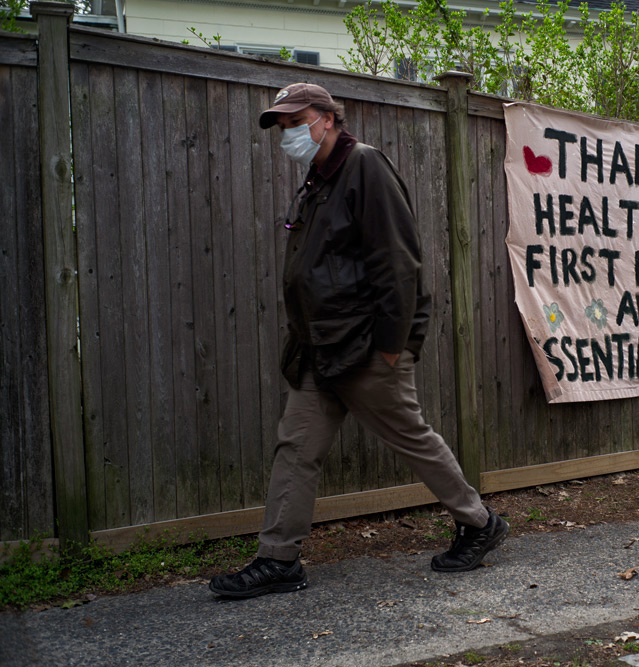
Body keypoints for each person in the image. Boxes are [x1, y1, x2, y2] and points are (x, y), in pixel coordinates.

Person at [209, 83, 508, 598]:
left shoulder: (365, 166)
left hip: (365, 346)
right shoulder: (318, 180)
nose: (287, 131)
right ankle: (278, 559)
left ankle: (479, 522)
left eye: (295, 119)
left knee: (410, 437)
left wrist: (392, 348)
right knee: (297, 447)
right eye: (281, 124)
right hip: (318, 348)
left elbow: (398, 261)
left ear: (326, 118)